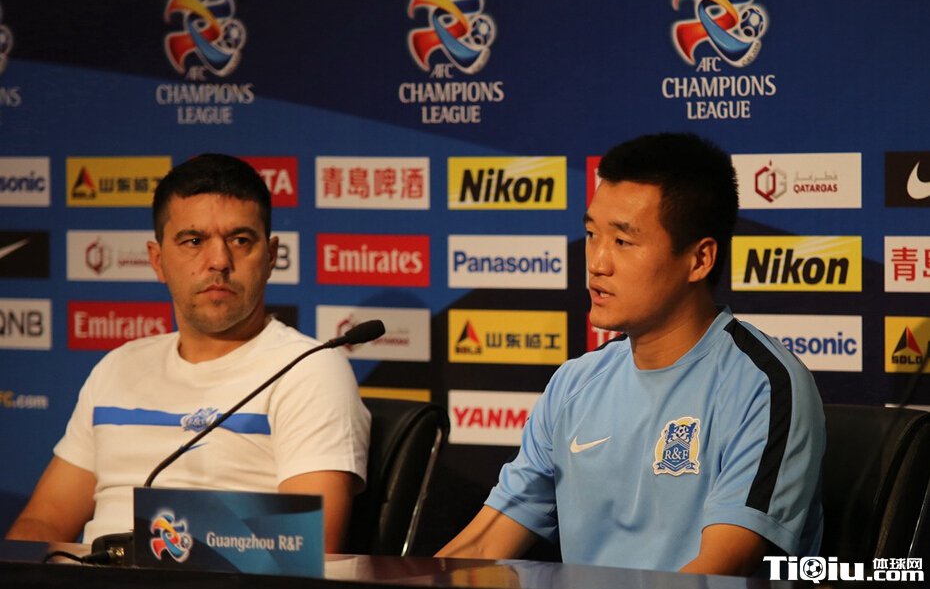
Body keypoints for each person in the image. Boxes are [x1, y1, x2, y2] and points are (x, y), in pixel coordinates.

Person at [437, 133, 825, 576]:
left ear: (699, 259)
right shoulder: (575, 383)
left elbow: (720, 569)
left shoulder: (762, 386)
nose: (597, 263)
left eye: (622, 241)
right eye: (591, 235)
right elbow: (485, 541)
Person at [6, 154, 370, 553]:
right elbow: (44, 520)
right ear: (157, 260)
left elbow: (305, 548)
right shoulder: (119, 367)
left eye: (240, 240)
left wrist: (166, 543)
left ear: (270, 257)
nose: (219, 262)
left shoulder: (308, 370)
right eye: (194, 241)